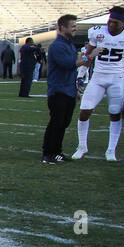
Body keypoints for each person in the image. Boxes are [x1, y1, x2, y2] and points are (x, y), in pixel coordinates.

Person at [73, 5, 124, 161]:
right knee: (84, 110)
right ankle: (82, 146)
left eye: (115, 23)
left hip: (117, 78)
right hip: (97, 77)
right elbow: (88, 55)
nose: (111, 25)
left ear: (123, 24)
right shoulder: (97, 31)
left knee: (115, 113)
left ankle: (111, 150)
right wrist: (81, 76)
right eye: (109, 21)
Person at [42, 14, 87, 164]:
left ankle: (57, 152)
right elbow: (68, 64)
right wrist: (88, 57)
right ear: (62, 27)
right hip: (58, 89)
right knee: (56, 122)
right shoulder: (57, 45)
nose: (75, 28)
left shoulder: (68, 43)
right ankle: (48, 153)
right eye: (73, 26)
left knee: (64, 123)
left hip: (69, 89)